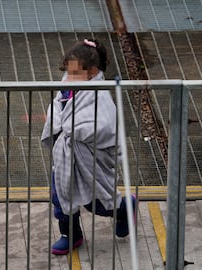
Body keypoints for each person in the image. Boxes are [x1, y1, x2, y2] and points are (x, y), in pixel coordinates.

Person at [41, 38, 136, 255]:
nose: (68, 78)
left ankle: (124, 207)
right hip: (66, 156)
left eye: (74, 74)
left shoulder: (100, 95)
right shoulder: (69, 85)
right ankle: (70, 234)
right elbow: (57, 107)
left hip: (89, 159)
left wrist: (69, 127)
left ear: (93, 72)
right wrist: (58, 121)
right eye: (67, 72)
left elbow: (103, 125)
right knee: (60, 196)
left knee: (96, 202)